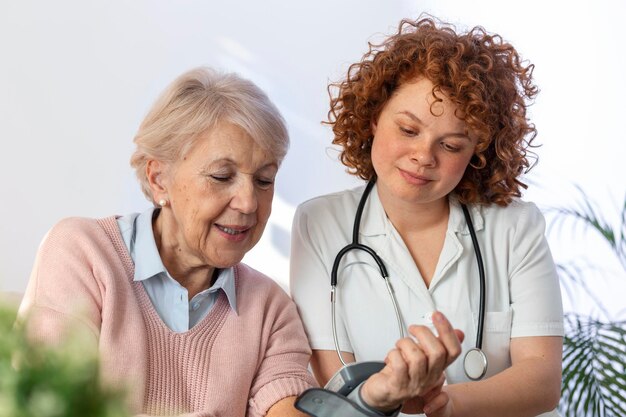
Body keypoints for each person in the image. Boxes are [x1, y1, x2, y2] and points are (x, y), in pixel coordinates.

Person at [290, 16, 564, 417]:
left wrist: (446, 405)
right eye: (407, 129)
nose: (423, 156)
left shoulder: (515, 227)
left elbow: (542, 379)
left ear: (477, 154)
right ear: (373, 118)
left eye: (451, 145)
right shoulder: (319, 223)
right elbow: (338, 391)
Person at [18, 67, 317, 417]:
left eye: (264, 180)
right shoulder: (83, 253)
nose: (249, 202)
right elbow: (52, 405)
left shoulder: (270, 309)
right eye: (222, 176)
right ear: (159, 179)